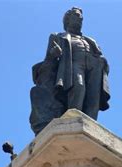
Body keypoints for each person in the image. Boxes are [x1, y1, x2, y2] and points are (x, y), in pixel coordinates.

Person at [30, 7, 110, 135]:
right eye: (77, 15)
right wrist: (52, 54)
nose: (80, 18)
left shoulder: (90, 40)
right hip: (72, 65)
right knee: (78, 88)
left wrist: (102, 62)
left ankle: (90, 128)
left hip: (94, 67)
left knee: (93, 98)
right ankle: (72, 124)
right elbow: (48, 61)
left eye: (81, 17)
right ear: (68, 19)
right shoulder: (58, 36)